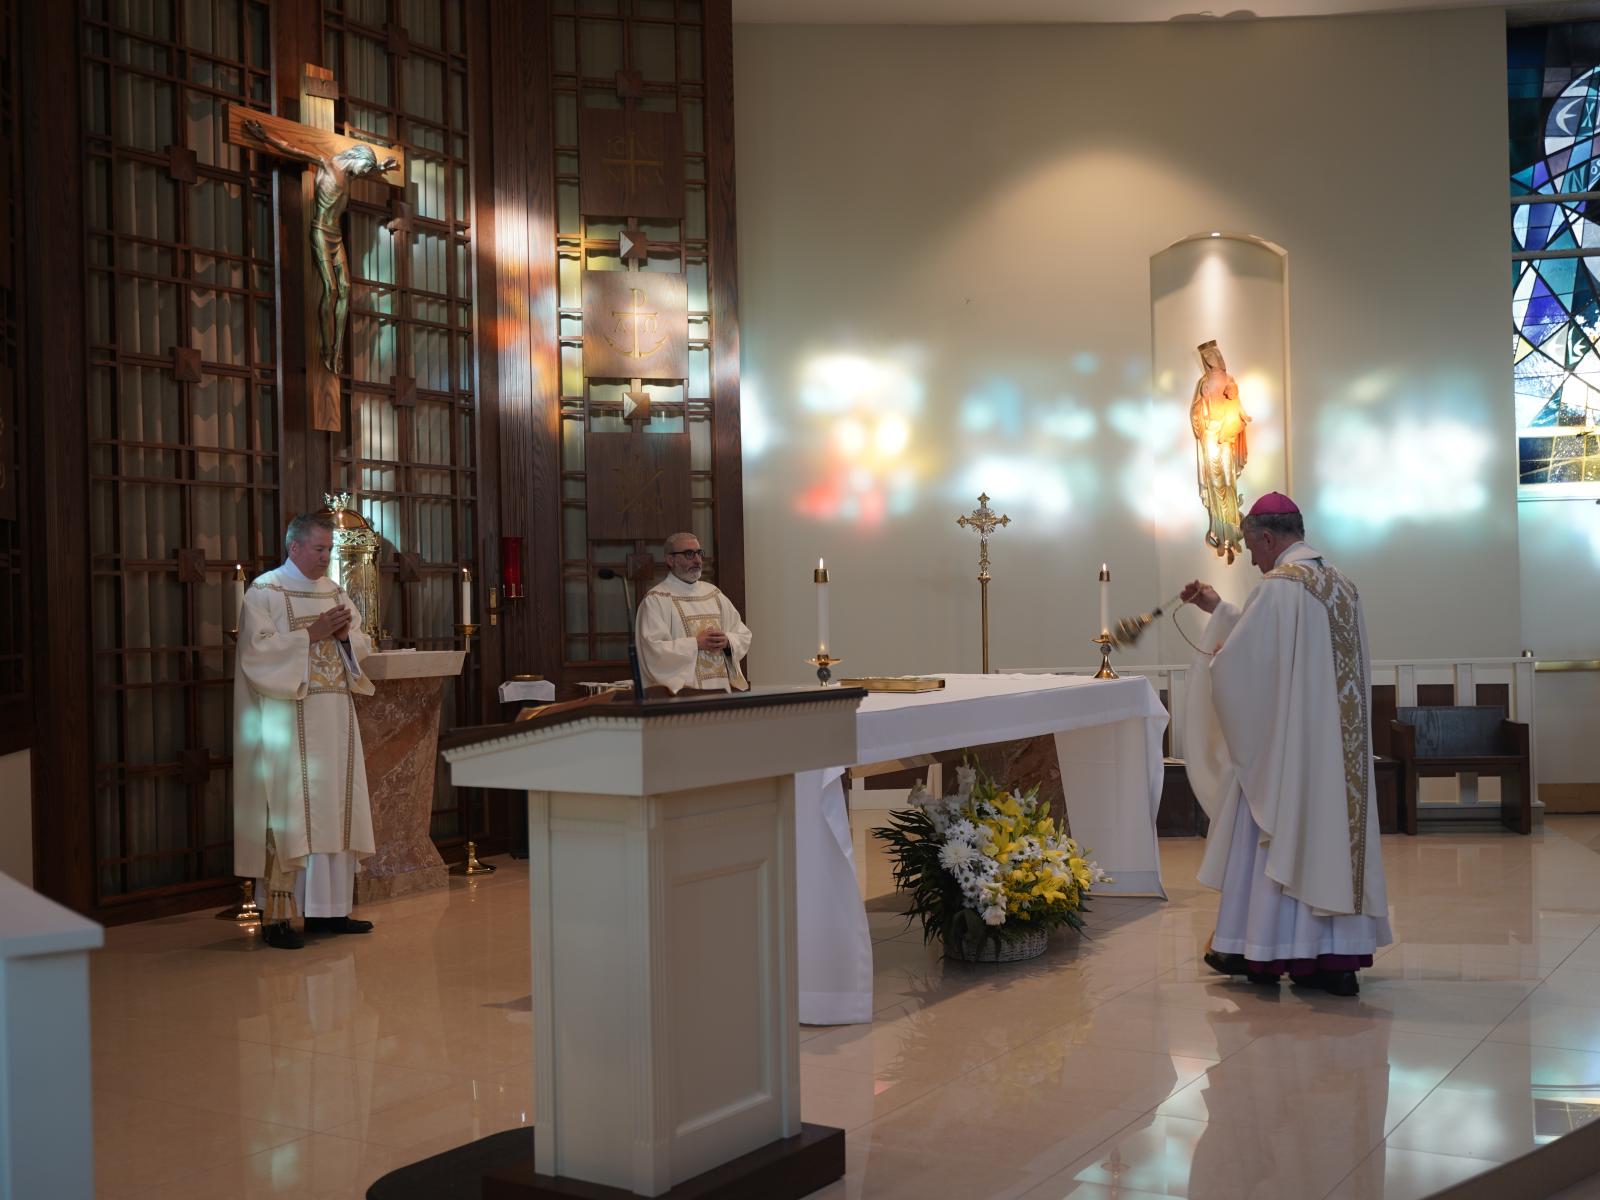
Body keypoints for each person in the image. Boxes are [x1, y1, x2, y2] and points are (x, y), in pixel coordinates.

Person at [1180, 492, 1391, 996]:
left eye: (1253, 548)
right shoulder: (1343, 586)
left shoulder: (1279, 588)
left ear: (1269, 538)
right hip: (1341, 757)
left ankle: (1267, 951)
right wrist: (1223, 609)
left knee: (1276, 828)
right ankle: (1335, 961)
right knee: (1334, 841)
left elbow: (1244, 668)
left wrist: (1215, 640)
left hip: (1293, 753)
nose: (1253, 559)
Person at [233, 513, 378, 949]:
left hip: (335, 717)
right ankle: (277, 918)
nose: (326, 557)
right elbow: (256, 654)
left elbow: (363, 641)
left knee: (336, 807)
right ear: (294, 547)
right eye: (319, 549)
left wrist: (349, 637)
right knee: (291, 810)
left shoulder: (333, 591)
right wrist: (310, 635)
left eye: (329, 549)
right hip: (289, 718)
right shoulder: (265, 592)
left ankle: (328, 911)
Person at [241, 118, 397, 374]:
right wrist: (265, 137)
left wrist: (379, 167)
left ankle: (336, 349)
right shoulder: (327, 163)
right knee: (331, 288)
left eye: (365, 170)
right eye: (363, 167)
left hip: (336, 234)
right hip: (321, 231)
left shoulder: (352, 173)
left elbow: (368, 169)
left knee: (347, 287)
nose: (362, 173)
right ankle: (326, 348)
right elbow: (292, 149)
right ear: (354, 157)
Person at [636, 532, 752, 694]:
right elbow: (652, 650)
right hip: (684, 695)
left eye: (699, 553)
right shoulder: (657, 600)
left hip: (722, 690)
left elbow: (743, 634)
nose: (697, 560)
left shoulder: (714, 594)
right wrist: (696, 644)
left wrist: (727, 641)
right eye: (689, 554)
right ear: (670, 560)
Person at [1190, 340, 1251, 564]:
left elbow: (1237, 406)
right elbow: (1197, 410)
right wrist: (1202, 414)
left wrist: (1233, 401)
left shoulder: (1229, 380)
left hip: (1224, 437)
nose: (1212, 360)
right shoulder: (1204, 382)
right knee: (1215, 483)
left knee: (1227, 480)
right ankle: (1219, 528)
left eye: (1213, 355)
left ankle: (1232, 529)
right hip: (1210, 437)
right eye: (1208, 357)